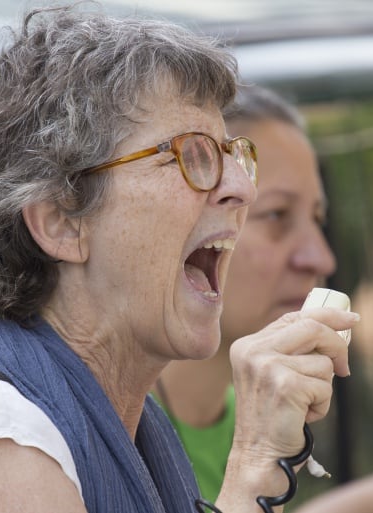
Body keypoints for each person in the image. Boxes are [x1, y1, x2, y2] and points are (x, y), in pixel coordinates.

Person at [0, 6, 353, 513]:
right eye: (192, 155)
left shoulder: (131, 433)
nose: (241, 188)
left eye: (234, 156)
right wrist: (255, 469)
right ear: (60, 221)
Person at [152, 84, 338, 503]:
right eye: (276, 215)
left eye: (317, 219)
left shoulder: (263, 415)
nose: (320, 258)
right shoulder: (99, 436)